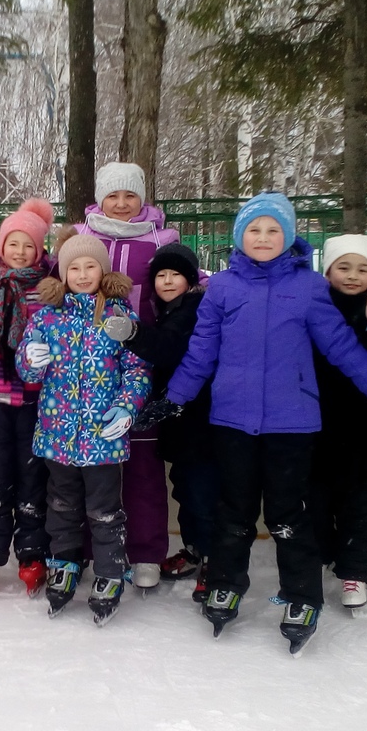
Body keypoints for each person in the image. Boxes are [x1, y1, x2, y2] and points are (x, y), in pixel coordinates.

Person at [163, 193, 367, 655]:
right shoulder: (223, 288)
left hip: (292, 424)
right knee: (233, 511)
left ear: (288, 236)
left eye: (273, 230)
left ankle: (302, 595)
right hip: (232, 420)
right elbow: (201, 351)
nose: (263, 238)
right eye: (254, 230)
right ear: (240, 236)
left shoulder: (309, 286)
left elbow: (341, 346)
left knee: (288, 515)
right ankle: (225, 584)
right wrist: (173, 399)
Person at [15, 233, 151, 626]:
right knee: (61, 505)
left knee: (104, 510)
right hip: (58, 434)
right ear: (63, 273)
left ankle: (109, 572)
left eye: (90, 266)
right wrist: (30, 359)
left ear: (102, 270)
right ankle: (65, 563)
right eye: (74, 267)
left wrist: (127, 407)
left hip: (102, 437)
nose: (82, 274)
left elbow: (138, 369)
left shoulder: (120, 316)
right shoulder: (47, 317)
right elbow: (28, 372)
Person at [68, 162, 179, 589]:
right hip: (87, 367)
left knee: (142, 462)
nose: (120, 203)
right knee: (88, 461)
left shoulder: (161, 240)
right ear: (100, 199)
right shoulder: (81, 238)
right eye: (112, 195)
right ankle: (84, 547)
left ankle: (146, 551)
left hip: (140, 362)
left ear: (142, 198)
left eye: (129, 195)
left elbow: (180, 278)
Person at [100, 243, 216, 602]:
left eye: (175, 274)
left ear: (191, 280)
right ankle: (195, 549)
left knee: (201, 490)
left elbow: (169, 348)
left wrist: (133, 333)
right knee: (184, 487)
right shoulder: (171, 309)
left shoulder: (194, 309)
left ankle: (214, 561)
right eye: (161, 275)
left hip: (199, 419)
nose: (166, 281)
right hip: (180, 420)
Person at [307, 234, 367, 612]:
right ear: (327, 271)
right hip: (316, 422)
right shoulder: (312, 305)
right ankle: (321, 557)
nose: (352, 276)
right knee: (315, 500)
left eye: (362, 269)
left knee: (359, 503)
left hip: (363, 427)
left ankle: (354, 573)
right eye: (343, 267)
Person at [0, 198, 55, 597]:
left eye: (28, 245)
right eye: (13, 243)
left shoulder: (47, 289)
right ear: (1, 246)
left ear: (39, 250)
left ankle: (33, 551)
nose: (20, 251)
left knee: (33, 475)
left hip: (36, 397)